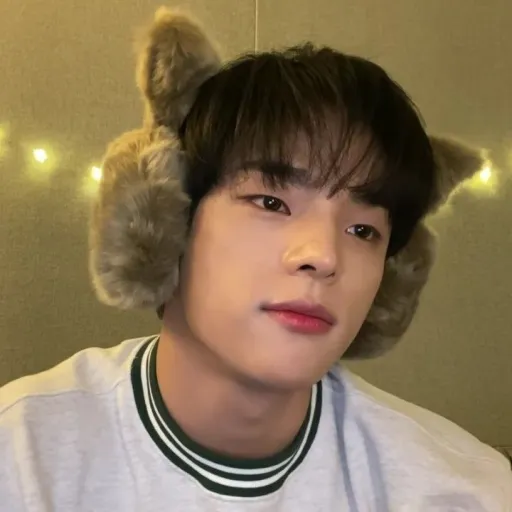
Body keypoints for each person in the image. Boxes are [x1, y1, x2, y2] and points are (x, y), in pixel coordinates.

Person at [1, 7, 510, 511]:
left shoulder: (466, 492)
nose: (324, 256)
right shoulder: (20, 458)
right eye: (270, 202)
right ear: (168, 222)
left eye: (363, 230)